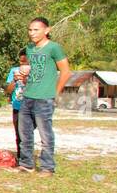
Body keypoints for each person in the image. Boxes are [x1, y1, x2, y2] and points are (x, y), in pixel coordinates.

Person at [18, 17, 70, 174]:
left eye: (36, 30)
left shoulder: (54, 48)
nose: (32, 33)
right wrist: (24, 76)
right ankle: (26, 164)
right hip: (28, 96)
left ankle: (47, 166)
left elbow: (66, 72)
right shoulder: (29, 49)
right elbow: (34, 71)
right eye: (30, 30)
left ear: (47, 30)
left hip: (44, 98)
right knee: (25, 133)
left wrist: (55, 93)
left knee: (45, 134)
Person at [6, 50, 28, 155]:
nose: (22, 64)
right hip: (18, 106)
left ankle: (27, 156)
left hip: (31, 105)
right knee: (19, 134)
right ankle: (21, 157)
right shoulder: (14, 71)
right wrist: (14, 80)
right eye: (21, 62)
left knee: (27, 133)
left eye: (25, 62)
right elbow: (8, 90)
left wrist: (26, 78)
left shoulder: (35, 71)